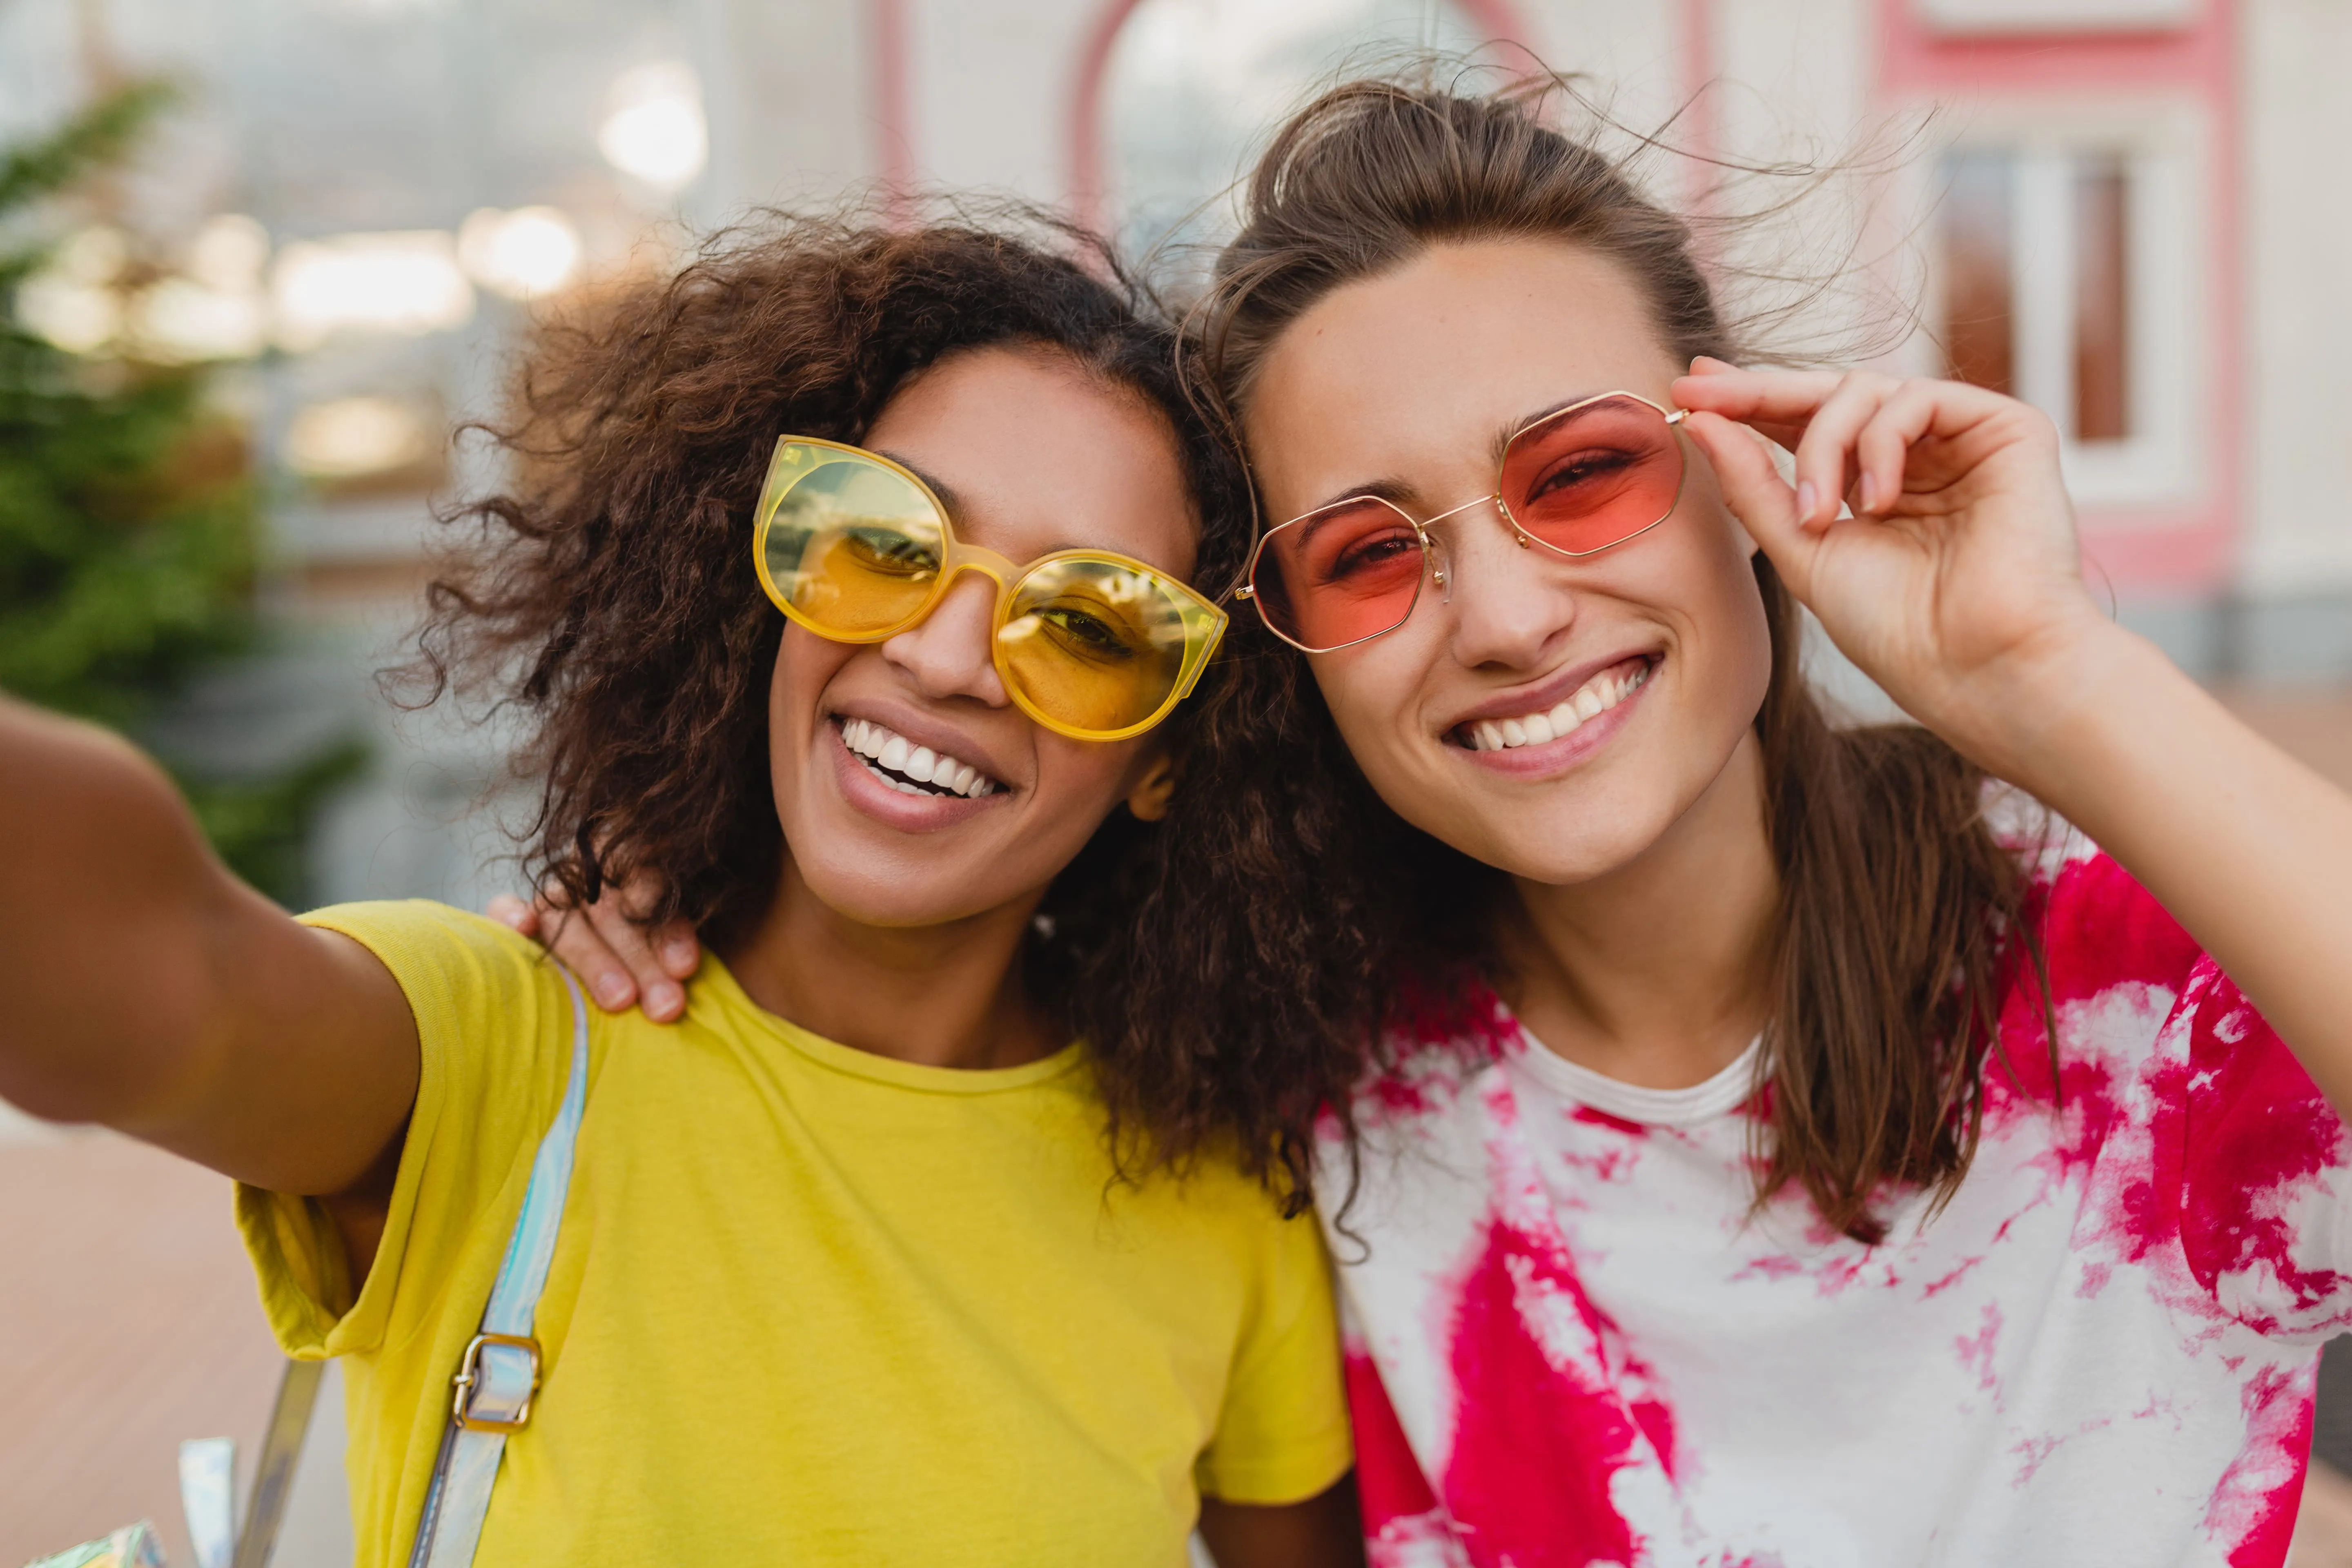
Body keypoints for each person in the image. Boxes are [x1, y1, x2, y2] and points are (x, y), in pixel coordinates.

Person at [556, 78, 2352, 1566]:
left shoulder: (2120, 978)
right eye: (1365, 554)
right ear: (1290, 665)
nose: (1499, 616)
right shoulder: (1292, 1074)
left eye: (1579, 475)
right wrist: (656, 889)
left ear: (1746, 480)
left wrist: (2048, 679)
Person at [0, 213, 1359, 1568]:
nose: (949, 659)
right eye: (883, 543)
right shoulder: (499, 1055)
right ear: (761, 581)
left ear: (1176, 753)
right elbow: (154, 973)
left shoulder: (1220, 1185)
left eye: (1090, 625)